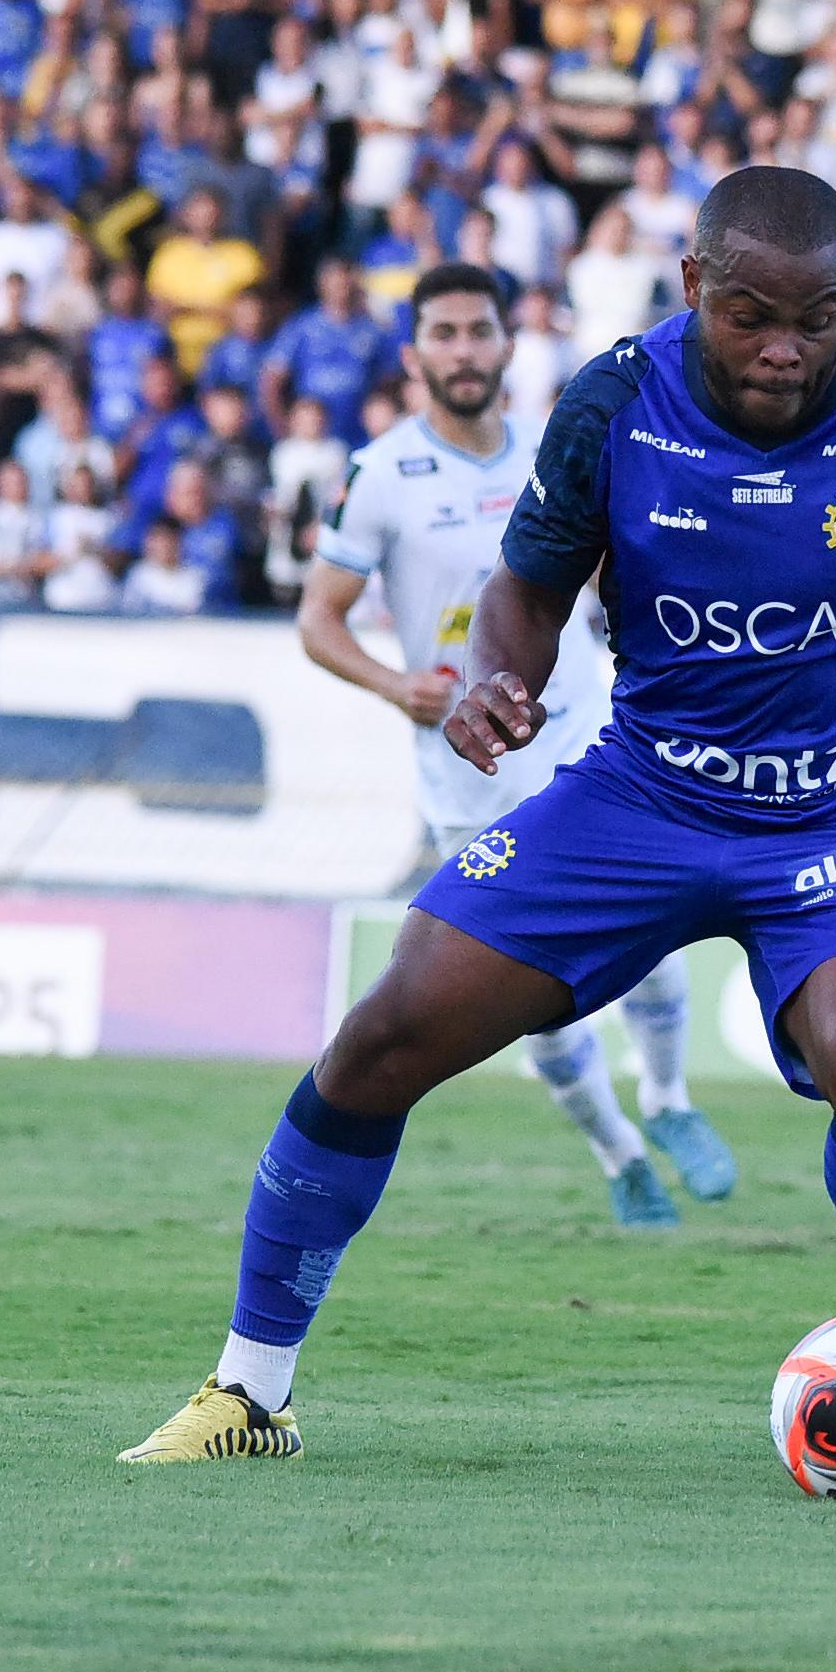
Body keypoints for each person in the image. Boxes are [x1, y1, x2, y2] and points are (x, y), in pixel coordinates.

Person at [119, 168, 836, 1464]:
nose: (784, 348)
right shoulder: (614, 403)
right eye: (750, 316)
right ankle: (248, 1393)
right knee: (384, 1032)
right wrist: (497, 678)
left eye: (816, 318)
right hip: (645, 792)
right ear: (692, 286)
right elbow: (527, 588)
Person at [295, 262, 733, 1227]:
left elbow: (616, 568)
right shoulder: (380, 475)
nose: (464, 351)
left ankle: (668, 1100)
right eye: (443, 333)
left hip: (586, 742)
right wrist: (393, 684)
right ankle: (620, 1154)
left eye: (479, 331)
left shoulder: (555, 446)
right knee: (529, 989)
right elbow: (318, 618)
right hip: (472, 774)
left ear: (506, 343)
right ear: (413, 354)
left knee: (652, 939)